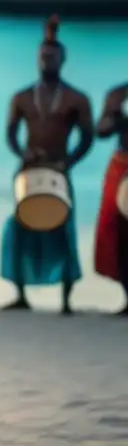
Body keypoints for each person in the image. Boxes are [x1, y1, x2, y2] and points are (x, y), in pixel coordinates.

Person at [0, 15, 93, 315]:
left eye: (52, 57)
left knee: (63, 230)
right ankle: (20, 293)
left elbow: (87, 136)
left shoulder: (76, 98)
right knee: (20, 228)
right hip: (29, 171)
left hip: (58, 173)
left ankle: (66, 299)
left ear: (62, 60)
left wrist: (68, 161)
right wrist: (21, 154)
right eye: (42, 56)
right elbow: (11, 133)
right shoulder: (22, 97)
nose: (46, 61)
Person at [94, 80, 128, 314]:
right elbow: (101, 131)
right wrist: (116, 120)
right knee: (118, 233)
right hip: (123, 165)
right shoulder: (118, 94)